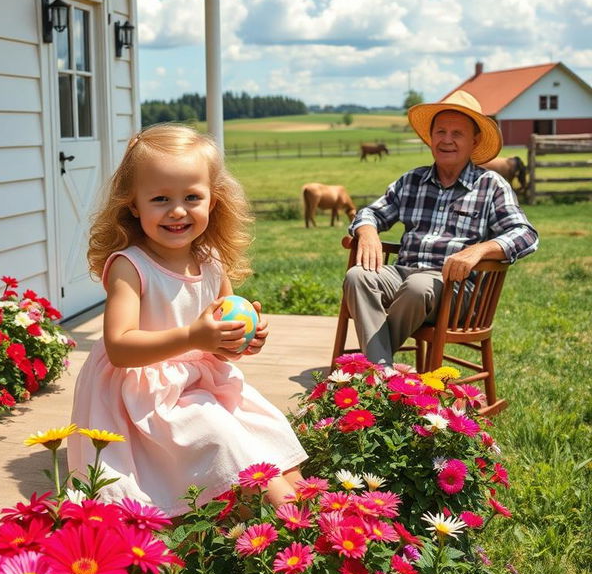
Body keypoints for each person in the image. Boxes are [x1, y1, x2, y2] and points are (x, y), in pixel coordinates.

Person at [68, 124, 306, 515]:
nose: (177, 211)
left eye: (192, 197)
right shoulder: (131, 267)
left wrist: (240, 341)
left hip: (204, 384)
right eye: (160, 198)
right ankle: (283, 521)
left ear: (212, 202)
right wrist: (195, 336)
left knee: (267, 428)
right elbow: (120, 347)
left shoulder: (211, 263)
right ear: (134, 206)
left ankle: (295, 509)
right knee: (221, 442)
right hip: (146, 398)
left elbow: (223, 345)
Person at [344, 90, 538, 365]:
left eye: (457, 133)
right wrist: (367, 231)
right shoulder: (411, 180)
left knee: (418, 286)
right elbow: (371, 212)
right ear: (431, 137)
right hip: (403, 273)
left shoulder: (491, 185)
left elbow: (526, 234)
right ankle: (383, 374)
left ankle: (374, 371)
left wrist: (479, 251)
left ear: (475, 140)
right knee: (357, 277)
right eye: (441, 131)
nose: (447, 140)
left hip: (454, 288)